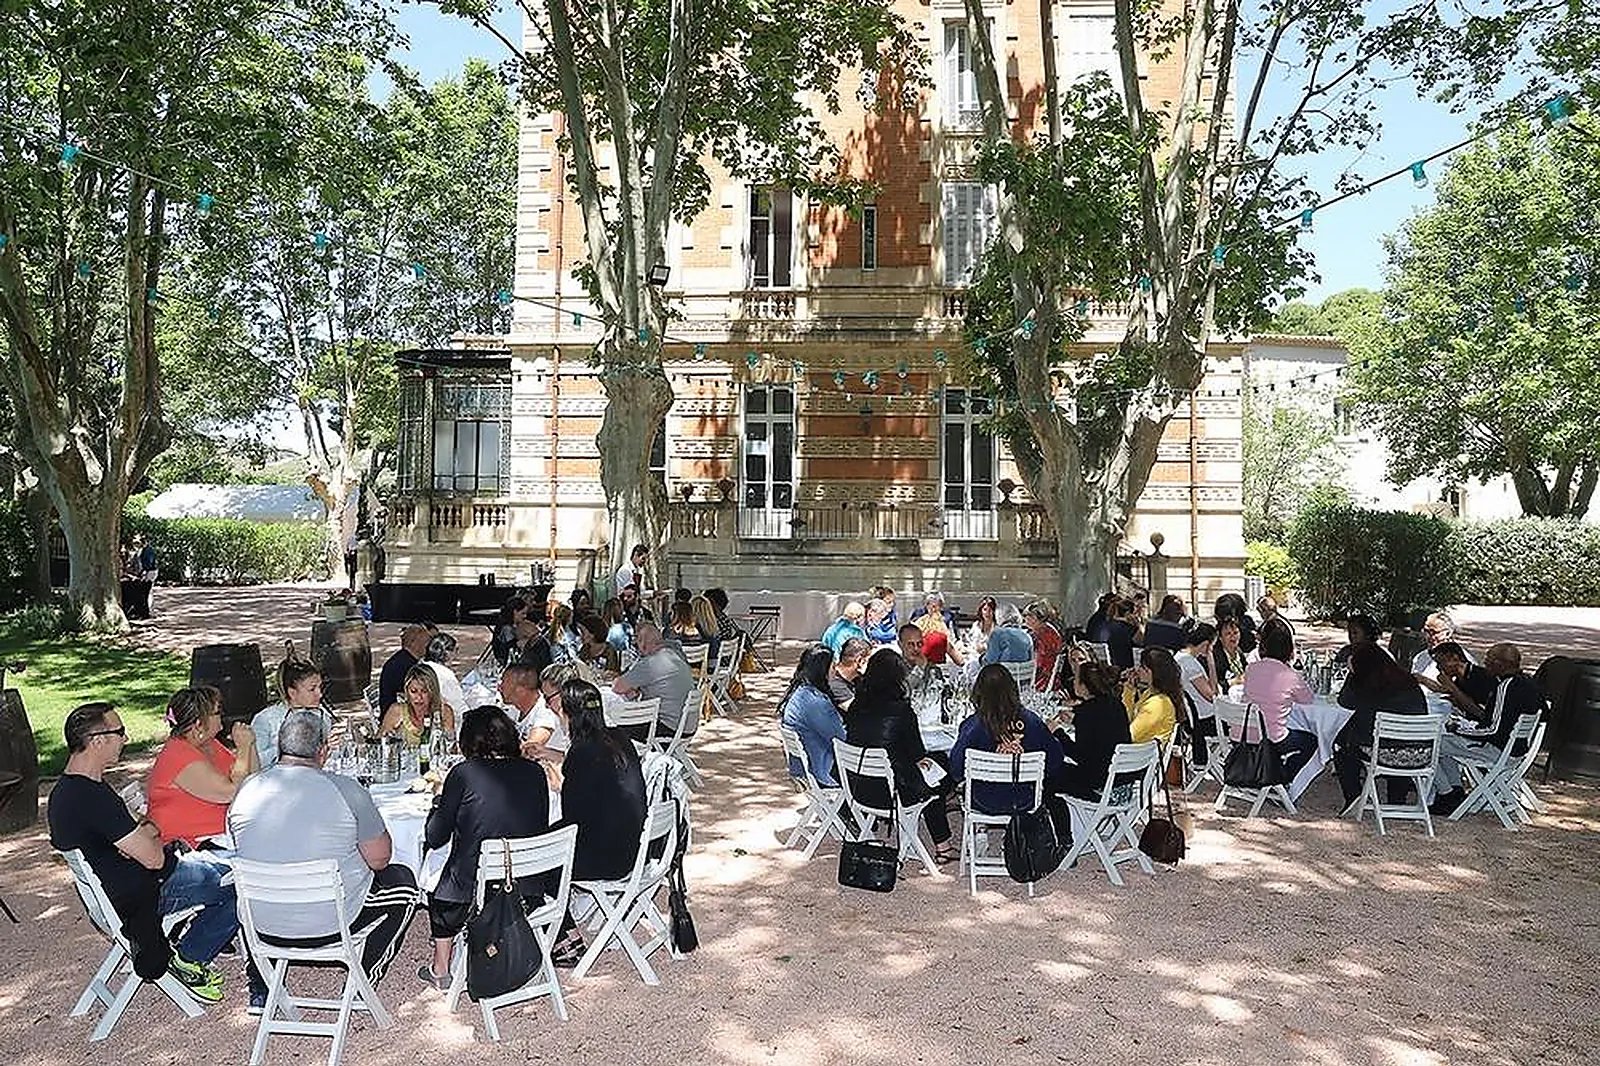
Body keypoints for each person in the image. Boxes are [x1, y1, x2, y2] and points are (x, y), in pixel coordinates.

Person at [50, 702, 256, 1005]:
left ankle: (192, 949)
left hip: (122, 890)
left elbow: (145, 832)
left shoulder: (69, 792)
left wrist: (143, 833)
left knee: (229, 868)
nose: (126, 738)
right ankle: (190, 955)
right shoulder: (92, 798)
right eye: (119, 732)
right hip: (145, 891)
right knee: (248, 880)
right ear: (97, 740)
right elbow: (154, 858)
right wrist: (145, 834)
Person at [228, 711, 419, 997]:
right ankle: (361, 985)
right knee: (404, 883)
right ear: (323, 751)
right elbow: (380, 859)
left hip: (262, 923)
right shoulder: (347, 790)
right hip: (330, 922)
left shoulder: (247, 789)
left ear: (281, 746)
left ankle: (261, 987)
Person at [418, 706, 553, 988]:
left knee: (437, 873)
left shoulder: (464, 773)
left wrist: (438, 801)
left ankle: (441, 968)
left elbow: (434, 837)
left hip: (476, 894)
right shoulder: (535, 773)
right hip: (528, 887)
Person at [546, 679, 648, 962]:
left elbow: (571, 818)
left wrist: (558, 783)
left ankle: (567, 937)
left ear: (569, 714)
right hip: (637, 845)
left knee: (540, 857)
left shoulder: (582, 752)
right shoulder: (619, 738)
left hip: (610, 858)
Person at [843, 651, 955, 864]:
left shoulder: (856, 705)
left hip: (859, 786)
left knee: (933, 769)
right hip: (893, 792)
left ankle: (941, 833)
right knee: (939, 769)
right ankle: (943, 845)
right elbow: (918, 754)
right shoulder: (902, 711)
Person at [1430, 643, 1546, 815]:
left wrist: (1457, 729)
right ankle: (1455, 791)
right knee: (1446, 743)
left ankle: (1447, 794)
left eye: (1489, 660)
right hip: (1517, 749)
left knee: (1431, 743)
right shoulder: (1528, 683)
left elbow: (1493, 730)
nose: (1485, 664)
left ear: (1500, 664)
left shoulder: (1505, 688)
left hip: (1498, 750)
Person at [147, 687, 258, 847]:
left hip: (223, 836)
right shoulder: (178, 754)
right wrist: (243, 748)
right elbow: (231, 792)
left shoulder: (209, 744)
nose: (222, 715)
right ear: (199, 724)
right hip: (193, 844)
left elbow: (253, 781)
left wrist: (250, 745)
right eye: (217, 712)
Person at [949, 664, 1065, 814]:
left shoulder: (973, 726)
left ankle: (980, 829)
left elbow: (956, 770)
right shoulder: (1032, 721)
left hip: (983, 799)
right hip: (1025, 798)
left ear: (978, 692)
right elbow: (1056, 759)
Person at [1331, 642, 1428, 806]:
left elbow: (1344, 702)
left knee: (1342, 744)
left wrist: (1353, 676)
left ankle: (1353, 796)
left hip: (1385, 753)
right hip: (1419, 753)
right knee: (1395, 740)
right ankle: (1397, 799)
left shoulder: (1369, 687)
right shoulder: (1408, 681)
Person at [1241, 618, 1317, 779]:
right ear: (1289, 648)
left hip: (1242, 733)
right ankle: (1283, 777)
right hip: (1271, 739)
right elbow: (1308, 699)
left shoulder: (1251, 669)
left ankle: (1273, 773)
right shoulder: (1290, 676)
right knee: (1311, 741)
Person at [1053, 661, 1132, 799]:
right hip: (1123, 779)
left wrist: (1057, 732)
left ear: (1084, 687)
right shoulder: (1116, 704)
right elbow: (1101, 727)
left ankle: (1058, 819)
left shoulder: (1086, 713)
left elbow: (1079, 755)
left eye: (1076, 680)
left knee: (1049, 773)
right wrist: (1075, 720)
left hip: (1101, 784)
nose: (1073, 683)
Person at [613, 621, 695, 740]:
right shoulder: (675, 655)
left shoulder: (650, 663)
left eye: (638, 642)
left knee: (615, 728)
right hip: (687, 725)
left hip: (668, 727)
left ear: (643, 644)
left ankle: (627, 758)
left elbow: (617, 687)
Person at [779, 644, 845, 786]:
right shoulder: (816, 703)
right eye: (832, 666)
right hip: (822, 771)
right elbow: (841, 739)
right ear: (823, 670)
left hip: (804, 767)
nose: (836, 671)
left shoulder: (800, 692)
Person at [250, 658, 333, 770]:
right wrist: (291, 746)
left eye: (320, 687)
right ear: (292, 693)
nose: (319, 694)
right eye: (312, 689)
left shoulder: (321, 716)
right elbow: (255, 761)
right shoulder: (266, 719)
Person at [1174, 623, 1219, 765]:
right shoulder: (1190, 664)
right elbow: (1213, 695)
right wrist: (1211, 664)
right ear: (1206, 644)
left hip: (1192, 718)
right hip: (1206, 720)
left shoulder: (1179, 657)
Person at [379, 665, 457, 745]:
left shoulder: (444, 712)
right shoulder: (397, 711)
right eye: (413, 691)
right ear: (407, 691)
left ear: (432, 692)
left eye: (424, 691)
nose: (419, 697)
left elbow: (452, 748)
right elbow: (379, 743)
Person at [1421, 641, 1498, 720]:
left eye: (1440, 662)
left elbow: (1481, 713)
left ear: (1455, 658)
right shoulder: (1459, 680)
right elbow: (1443, 689)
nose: (1438, 667)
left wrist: (1452, 686)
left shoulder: (1480, 677)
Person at [1123, 647, 1183, 745]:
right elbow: (1127, 718)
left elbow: (1129, 735)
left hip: (1139, 755)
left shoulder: (1157, 704)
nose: (1138, 670)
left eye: (1143, 667)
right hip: (1140, 752)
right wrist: (1129, 691)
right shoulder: (1150, 693)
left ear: (1152, 673)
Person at [499, 663, 561, 755]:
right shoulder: (513, 709)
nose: (499, 688)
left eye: (504, 682)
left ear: (520, 690)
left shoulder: (545, 711)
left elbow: (532, 747)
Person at [378, 624, 430, 713]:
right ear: (414, 643)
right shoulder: (405, 667)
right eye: (426, 643)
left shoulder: (402, 659)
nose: (428, 647)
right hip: (396, 717)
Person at [1410, 610, 1476, 680]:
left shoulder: (1463, 658)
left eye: (1434, 632)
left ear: (1447, 634)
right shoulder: (1420, 657)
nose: (1428, 636)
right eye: (1426, 631)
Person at [421, 629, 471, 718]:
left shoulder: (420, 666)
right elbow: (458, 705)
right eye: (455, 650)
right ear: (446, 653)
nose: (456, 655)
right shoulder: (445, 675)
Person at [1021, 600, 1065, 691]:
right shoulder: (1049, 629)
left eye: (1028, 616)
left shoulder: (1040, 635)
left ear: (1036, 618)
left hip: (1042, 680)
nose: (1025, 619)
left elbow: (1038, 662)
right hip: (1052, 677)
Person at [828, 637, 870, 711]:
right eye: (869, 661)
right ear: (860, 661)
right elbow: (857, 712)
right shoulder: (835, 685)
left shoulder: (857, 678)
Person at [1211, 615, 1248, 692]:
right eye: (1228, 634)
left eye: (1235, 633)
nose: (1233, 637)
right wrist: (1233, 682)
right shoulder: (1215, 657)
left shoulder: (1239, 652)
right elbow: (1216, 686)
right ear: (1220, 637)